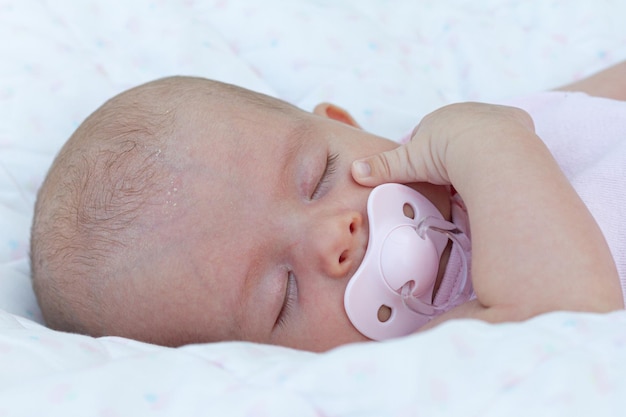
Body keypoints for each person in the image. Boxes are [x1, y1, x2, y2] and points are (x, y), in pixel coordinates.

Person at [30, 62, 626, 352]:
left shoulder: (460, 134)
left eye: (318, 178)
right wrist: (493, 144)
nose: (332, 238)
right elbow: (571, 324)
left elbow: (588, 105)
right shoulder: (451, 345)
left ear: (344, 127)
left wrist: (486, 132)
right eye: (282, 294)